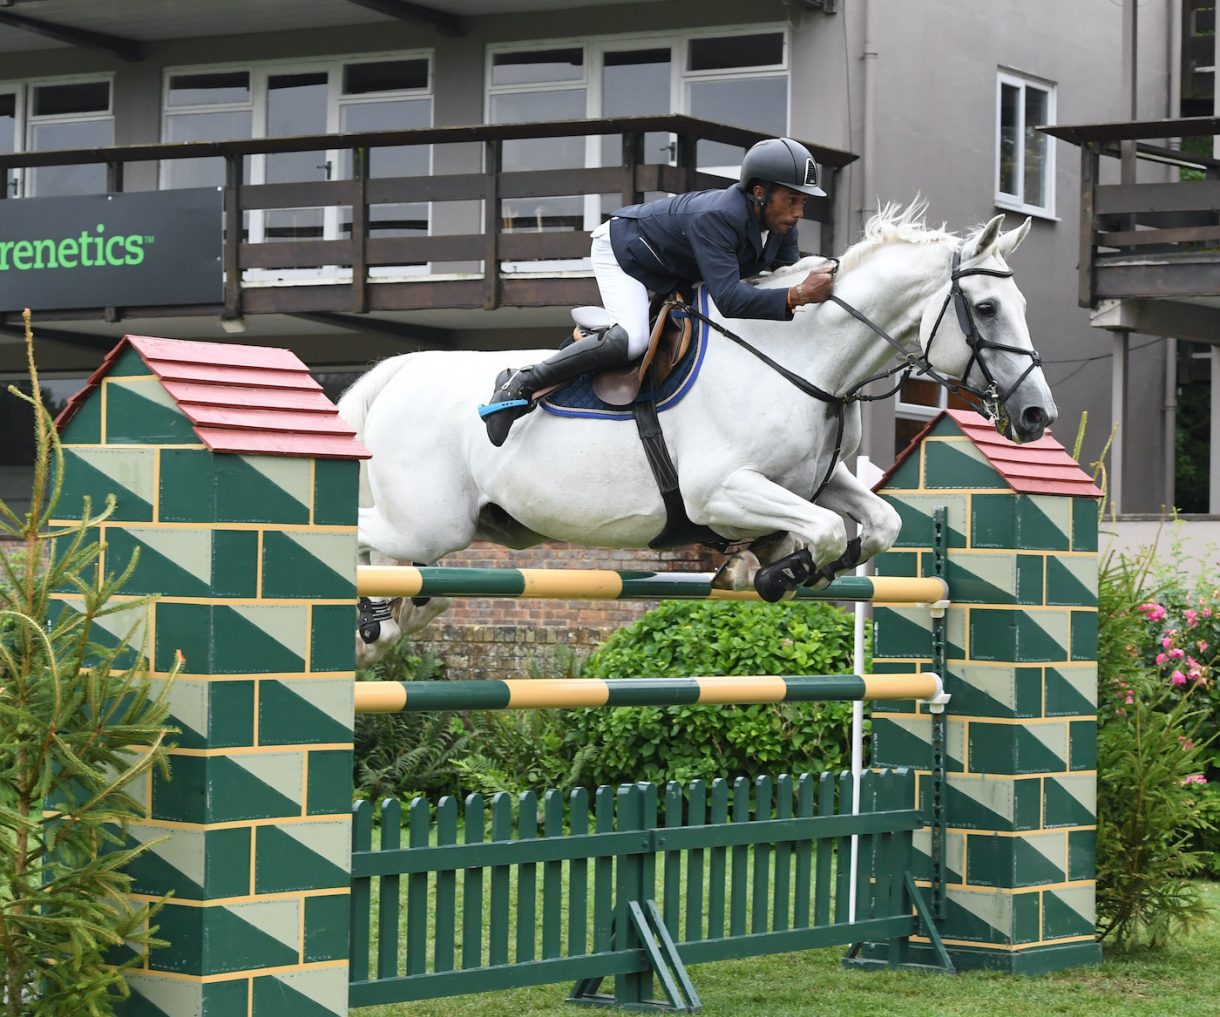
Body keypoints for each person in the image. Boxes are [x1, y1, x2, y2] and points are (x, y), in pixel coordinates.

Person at [480, 136, 836, 446]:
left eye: (803, 202)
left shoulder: (780, 224)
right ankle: (522, 382)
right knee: (633, 339)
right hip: (625, 251)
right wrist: (800, 294)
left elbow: (783, 276)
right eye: (792, 199)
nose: (799, 211)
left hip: (674, 265)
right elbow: (730, 299)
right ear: (760, 193)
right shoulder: (717, 216)